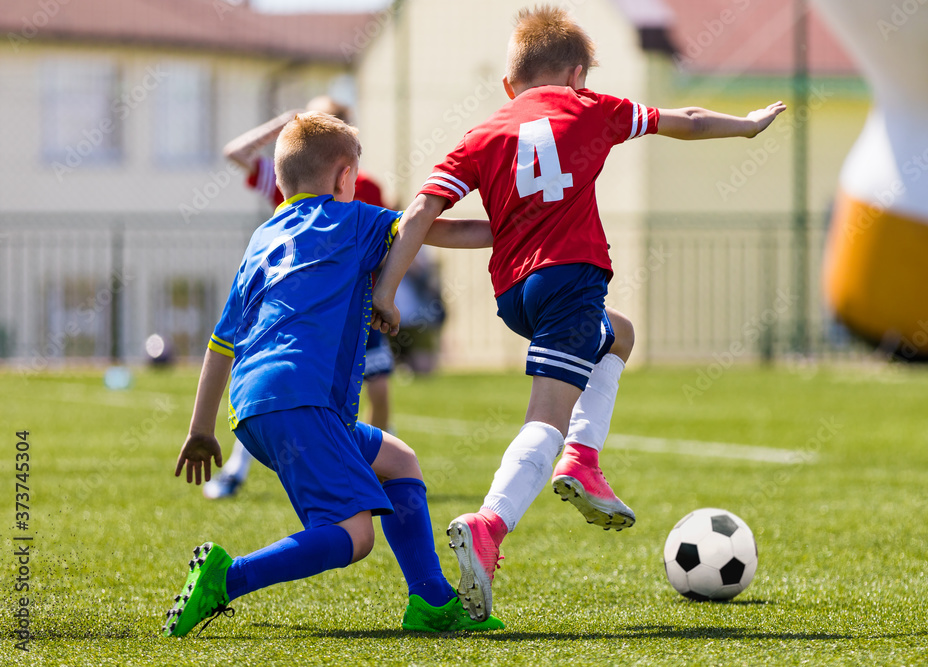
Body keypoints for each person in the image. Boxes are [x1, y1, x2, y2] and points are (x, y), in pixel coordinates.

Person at [370, 6, 786, 622]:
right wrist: (747, 127)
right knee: (547, 419)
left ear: (510, 85)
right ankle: (490, 524)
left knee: (619, 333)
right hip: (570, 279)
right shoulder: (589, 108)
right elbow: (688, 121)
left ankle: (583, 463)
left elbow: (421, 216)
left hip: (515, 296)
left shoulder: (482, 135)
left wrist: (387, 287)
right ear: (577, 73)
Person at [163, 111, 500, 637]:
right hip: (304, 401)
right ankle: (225, 579)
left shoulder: (262, 239)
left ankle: (431, 600)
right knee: (352, 535)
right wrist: (519, 228)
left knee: (398, 460)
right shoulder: (355, 219)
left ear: (279, 181)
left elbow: (220, 342)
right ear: (346, 176)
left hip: (253, 407)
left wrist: (200, 429)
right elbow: (432, 229)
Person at [206, 96, 394, 500]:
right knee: (280, 387)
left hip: (352, 304)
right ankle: (237, 472)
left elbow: (398, 235)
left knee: (373, 389)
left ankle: (368, 469)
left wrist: (386, 290)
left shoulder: (366, 190)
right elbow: (234, 152)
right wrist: (285, 128)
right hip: (293, 311)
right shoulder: (290, 176)